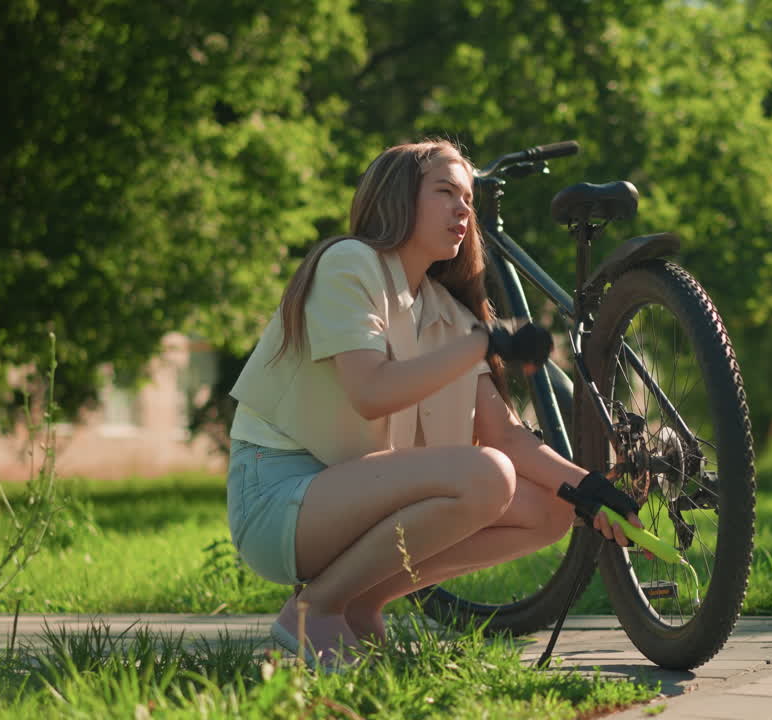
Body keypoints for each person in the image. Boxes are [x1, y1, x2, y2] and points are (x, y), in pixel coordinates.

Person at [226, 139, 642, 666]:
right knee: (486, 474)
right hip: (278, 499)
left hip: (350, 493)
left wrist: (590, 489)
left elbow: (507, 437)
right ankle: (316, 609)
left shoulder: (446, 312)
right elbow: (371, 392)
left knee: (550, 509)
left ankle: (358, 602)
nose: (463, 208)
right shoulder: (348, 264)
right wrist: (483, 343)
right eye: (445, 191)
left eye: (468, 197)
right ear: (398, 198)